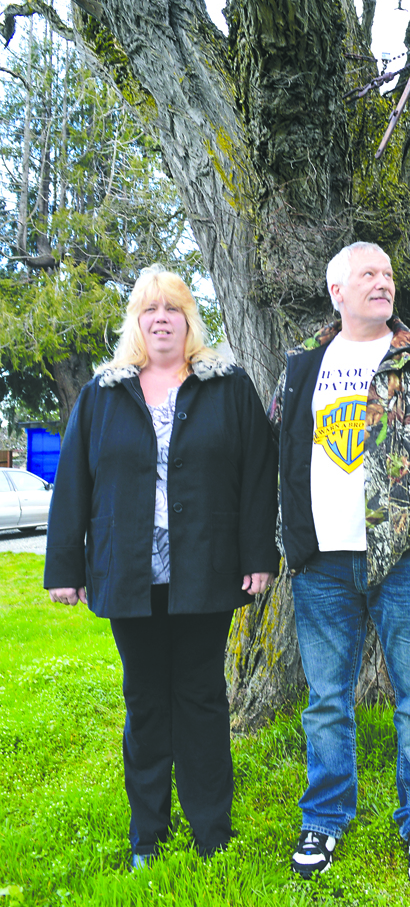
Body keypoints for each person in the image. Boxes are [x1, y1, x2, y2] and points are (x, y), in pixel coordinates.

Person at [268, 241, 410, 886]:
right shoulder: (303, 365)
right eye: (368, 273)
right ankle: (325, 816)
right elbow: (282, 455)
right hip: (319, 565)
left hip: (403, 563)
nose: (384, 282)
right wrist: (287, 538)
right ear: (336, 290)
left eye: (389, 273)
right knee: (326, 700)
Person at [44, 266, 279, 868]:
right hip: (129, 575)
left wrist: (258, 556)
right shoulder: (103, 392)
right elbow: (73, 482)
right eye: (149, 310)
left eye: (172, 308)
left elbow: (257, 475)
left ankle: (210, 830)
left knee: (201, 695)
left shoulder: (226, 386)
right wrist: (65, 567)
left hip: (205, 572)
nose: (161, 319)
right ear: (136, 322)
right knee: (145, 700)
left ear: (188, 318)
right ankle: (147, 834)